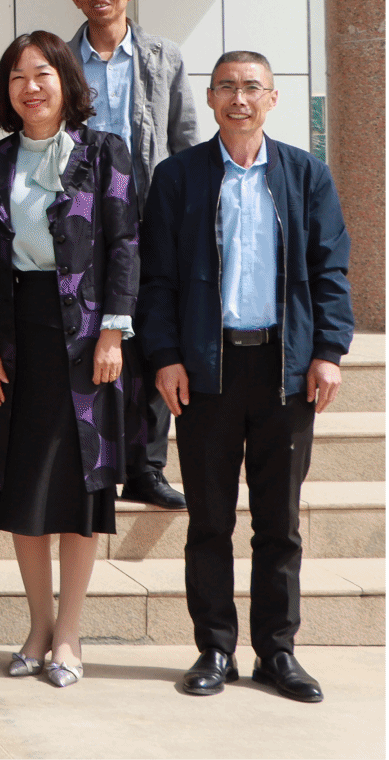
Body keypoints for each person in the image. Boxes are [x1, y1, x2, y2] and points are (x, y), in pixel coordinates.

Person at [140, 52, 353, 704]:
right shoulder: (178, 177)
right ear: (209, 98)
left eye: (252, 87)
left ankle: (277, 651)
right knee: (209, 519)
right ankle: (214, 648)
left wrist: (329, 351)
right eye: (227, 87)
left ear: (272, 98)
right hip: (207, 369)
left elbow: (330, 268)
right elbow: (157, 278)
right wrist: (165, 355)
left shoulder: (305, 174)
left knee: (278, 522)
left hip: (284, 370)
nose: (239, 98)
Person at [0, 32, 139, 689]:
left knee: (78, 492)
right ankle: (37, 626)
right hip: (13, 341)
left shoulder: (104, 151)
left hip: (85, 342)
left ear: (66, 81)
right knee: (22, 487)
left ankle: (69, 633)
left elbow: (125, 243)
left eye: (42, 74)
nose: (30, 87)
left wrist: (114, 332)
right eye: (17, 76)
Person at [66, 0, 200, 511]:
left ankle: (147, 467)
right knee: (81, 338)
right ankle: (86, 458)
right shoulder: (59, 59)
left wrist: (189, 216)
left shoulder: (163, 56)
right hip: (76, 222)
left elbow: (185, 140)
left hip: (147, 219)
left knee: (149, 339)